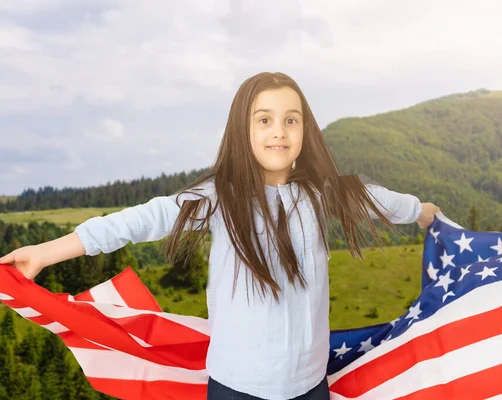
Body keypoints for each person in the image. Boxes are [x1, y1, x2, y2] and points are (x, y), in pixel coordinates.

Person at [0, 72, 440, 400]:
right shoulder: (218, 198)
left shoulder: (323, 192)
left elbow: (378, 200)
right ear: (242, 129)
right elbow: (137, 221)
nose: (279, 132)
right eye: (264, 119)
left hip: (310, 386)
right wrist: (45, 252)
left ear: (306, 130)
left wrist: (422, 213)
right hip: (236, 388)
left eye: (292, 120)